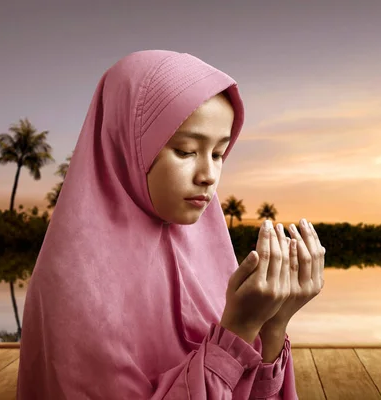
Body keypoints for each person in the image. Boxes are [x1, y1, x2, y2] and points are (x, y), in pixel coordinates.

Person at [16, 50, 325, 399]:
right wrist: (237, 330)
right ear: (126, 145)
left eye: (219, 153)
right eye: (186, 151)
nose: (208, 176)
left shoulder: (205, 249)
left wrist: (271, 324)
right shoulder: (75, 284)